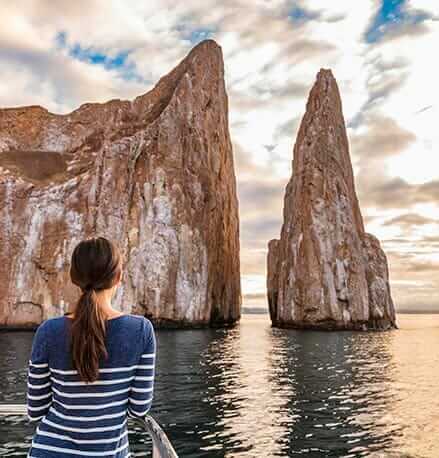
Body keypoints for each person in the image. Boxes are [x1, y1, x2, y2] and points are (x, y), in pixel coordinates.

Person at [26, 236, 156, 457]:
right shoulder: (141, 331)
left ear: (74, 277)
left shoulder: (48, 331)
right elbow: (138, 409)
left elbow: (36, 409)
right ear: (119, 276)